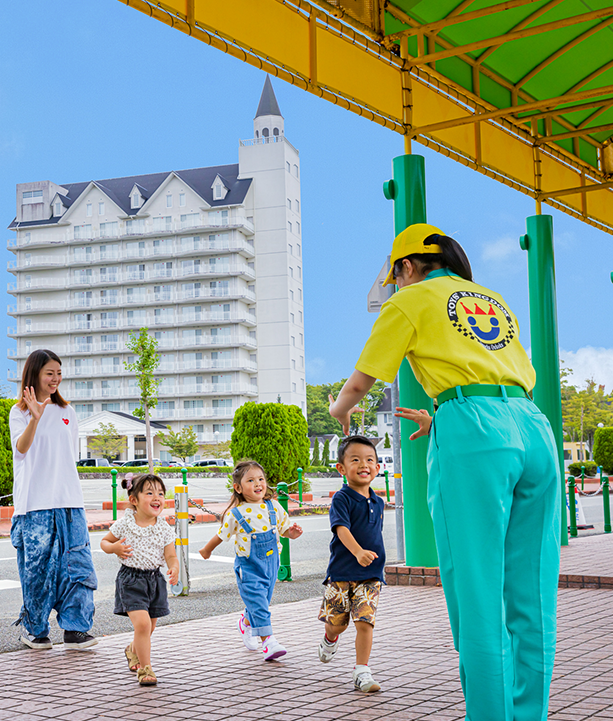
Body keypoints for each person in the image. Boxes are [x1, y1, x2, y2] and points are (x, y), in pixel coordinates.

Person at [328, 223, 560, 721]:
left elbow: (362, 380)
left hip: (472, 430)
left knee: (477, 595)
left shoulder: (409, 300)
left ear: (406, 267)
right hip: (533, 428)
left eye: (396, 277)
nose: (395, 287)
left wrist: (338, 410)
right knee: (533, 596)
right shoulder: (490, 298)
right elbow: (492, 378)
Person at [9, 348, 98, 650]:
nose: (56, 379)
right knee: (37, 569)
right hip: (34, 503)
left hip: (69, 500)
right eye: (50, 373)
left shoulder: (67, 412)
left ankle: (76, 630)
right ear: (34, 375)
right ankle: (37, 630)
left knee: (77, 566)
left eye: (59, 373)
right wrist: (35, 418)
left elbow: (69, 456)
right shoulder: (18, 412)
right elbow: (21, 451)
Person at [199, 460, 303, 661]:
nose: (258, 484)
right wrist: (206, 550)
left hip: (272, 565)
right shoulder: (235, 513)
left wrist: (293, 533)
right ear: (238, 488)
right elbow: (221, 535)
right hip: (248, 567)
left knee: (261, 602)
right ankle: (269, 642)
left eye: (261, 479)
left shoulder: (272, 507)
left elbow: (284, 529)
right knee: (259, 603)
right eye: (251, 480)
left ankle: (246, 622)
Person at [317, 435, 386, 694]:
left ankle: (362, 671)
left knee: (364, 621)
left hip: (370, 574)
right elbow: (341, 529)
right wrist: (357, 552)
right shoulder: (341, 499)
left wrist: (369, 558)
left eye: (370, 460)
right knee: (339, 624)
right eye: (355, 460)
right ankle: (330, 637)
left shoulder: (378, 501)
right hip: (341, 573)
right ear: (342, 468)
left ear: (378, 468)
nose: (363, 465)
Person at [100, 473, 179, 686]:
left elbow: (170, 554)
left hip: (155, 580)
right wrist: (114, 547)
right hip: (131, 580)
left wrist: (174, 566)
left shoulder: (163, 527)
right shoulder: (125, 524)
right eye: (150, 493)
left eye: (161, 493)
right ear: (134, 500)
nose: (157, 498)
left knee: (149, 628)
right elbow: (105, 542)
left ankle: (132, 649)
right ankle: (146, 669)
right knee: (142, 625)